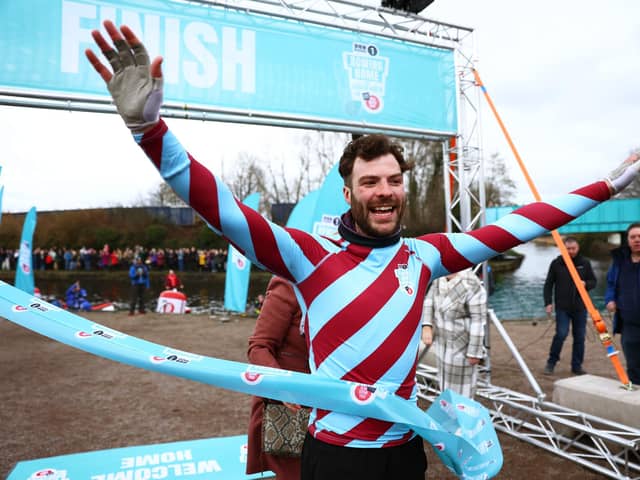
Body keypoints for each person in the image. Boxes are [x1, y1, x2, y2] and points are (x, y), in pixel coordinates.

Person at [85, 21, 639, 479]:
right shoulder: (309, 255)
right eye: (370, 182)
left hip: (403, 454)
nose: (384, 191)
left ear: (404, 187)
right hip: (330, 457)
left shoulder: (425, 257)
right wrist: (150, 130)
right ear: (349, 193)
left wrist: (607, 187)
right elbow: (225, 210)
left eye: (393, 180)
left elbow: (520, 224)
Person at [246, 276, 310, 480]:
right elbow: (259, 347)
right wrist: (283, 387)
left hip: (330, 407)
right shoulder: (288, 283)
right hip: (289, 409)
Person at [421, 268, 487, 398]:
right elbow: (428, 300)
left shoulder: (472, 284)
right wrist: (427, 325)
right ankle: (447, 410)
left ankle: (462, 415)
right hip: (441, 340)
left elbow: (478, 320)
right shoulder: (439, 277)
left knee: (462, 389)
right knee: (444, 381)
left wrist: (474, 351)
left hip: (461, 344)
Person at [543, 237, 597, 376]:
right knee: (561, 334)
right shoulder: (556, 263)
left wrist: (586, 284)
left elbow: (593, 281)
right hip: (562, 307)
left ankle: (576, 366)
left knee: (579, 337)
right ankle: (551, 362)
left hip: (580, 308)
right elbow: (548, 284)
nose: (571, 251)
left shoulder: (585, 263)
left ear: (578, 248)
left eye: (573, 248)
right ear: (563, 248)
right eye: (568, 248)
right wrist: (548, 302)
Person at [605, 223, 640, 385]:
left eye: (639, 236)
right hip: (628, 322)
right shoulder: (619, 261)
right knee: (632, 363)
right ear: (627, 240)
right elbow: (611, 284)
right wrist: (610, 299)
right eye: (633, 237)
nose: (637, 240)